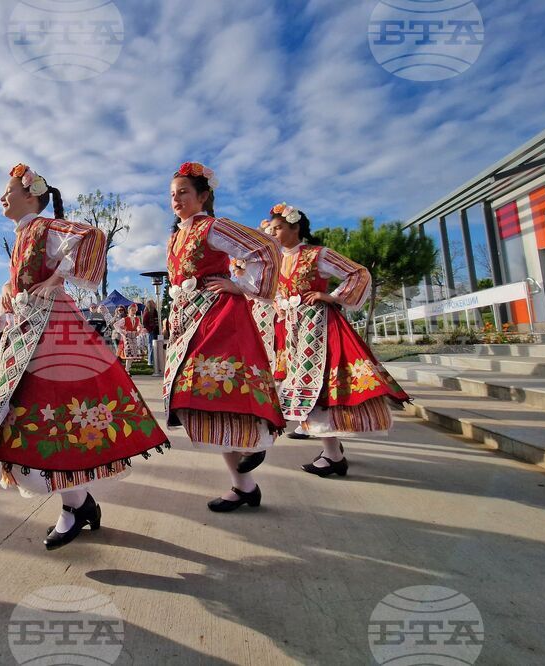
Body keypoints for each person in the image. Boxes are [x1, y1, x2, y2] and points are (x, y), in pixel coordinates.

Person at [0, 163, 169, 551]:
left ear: (31, 195)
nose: (2, 197)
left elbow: (93, 236)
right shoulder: (24, 235)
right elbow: (25, 275)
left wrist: (57, 279)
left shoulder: (44, 228)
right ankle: (80, 502)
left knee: (56, 406)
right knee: (36, 411)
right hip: (28, 331)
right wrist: (8, 285)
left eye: (8, 190)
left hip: (52, 330)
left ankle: (75, 506)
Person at [163, 162, 285, 513]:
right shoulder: (175, 237)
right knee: (203, 397)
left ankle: (256, 439)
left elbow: (265, 248)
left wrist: (241, 285)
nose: (176, 199)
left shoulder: (212, 227)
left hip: (218, 317)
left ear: (203, 196)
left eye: (183, 192)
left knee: (223, 388)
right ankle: (245, 486)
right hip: (189, 321)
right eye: (172, 194)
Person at [265, 203, 410, 476]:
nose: (273, 234)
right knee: (307, 389)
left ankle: (333, 455)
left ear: (295, 228)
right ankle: (333, 451)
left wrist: (331, 296)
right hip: (293, 333)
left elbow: (358, 272)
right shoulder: (276, 260)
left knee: (318, 388)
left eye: (278, 228)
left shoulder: (316, 255)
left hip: (318, 329)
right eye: (271, 229)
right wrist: (279, 307)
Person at [113, 303, 146, 372]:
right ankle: (127, 370)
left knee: (133, 354)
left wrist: (139, 331)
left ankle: (127, 369)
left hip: (134, 336)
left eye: (135, 310)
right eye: (132, 310)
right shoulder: (125, 319)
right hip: (127, 336)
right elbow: (115, 325)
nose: (134, 311)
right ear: (129, 311)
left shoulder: (137, 319)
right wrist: (122, 332)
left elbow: (139, 326)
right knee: (129, 352)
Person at [142, 299, 159, 368]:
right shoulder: (147, 313)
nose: (154, 303)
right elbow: (144, 323)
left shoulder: (155, 311)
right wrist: (149, 329)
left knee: (155, 345)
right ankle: (150, 361)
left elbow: (157, 320)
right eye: (153, 303)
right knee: (151, 346)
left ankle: (154, 360)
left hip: (156, 330)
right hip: (150, 331)